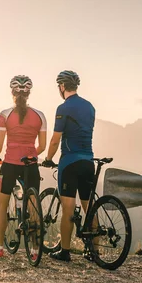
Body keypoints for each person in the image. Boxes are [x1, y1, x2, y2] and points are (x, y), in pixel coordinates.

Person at [0, 75, 48, 259]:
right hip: (31, 164)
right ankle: (35, 251)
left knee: (2, 205)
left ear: (12, 92)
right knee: (33, 205)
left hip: (10, 164)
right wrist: (31, 154)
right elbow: (42, 146)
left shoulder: (5, 115)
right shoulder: (40, 116)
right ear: (29, 93)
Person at [43, 70, 96, 262]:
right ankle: (94, 252)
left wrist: (48, 158)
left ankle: (65, 251)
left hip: (70, 163)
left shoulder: (63, 108)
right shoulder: (90, 107)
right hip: (88, 161)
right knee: (89, 207)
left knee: (68, 208)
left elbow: (55, 139)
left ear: (62, 86)